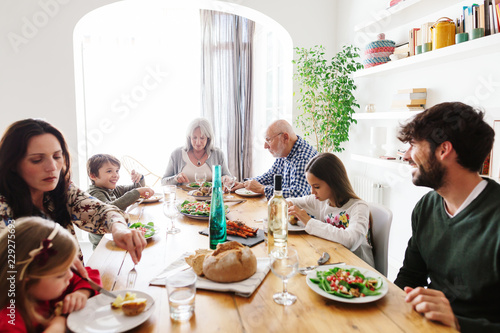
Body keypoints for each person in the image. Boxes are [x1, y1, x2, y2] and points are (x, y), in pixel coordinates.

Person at [394, 102, 499, 331]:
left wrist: (458, 322)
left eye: (413, 144)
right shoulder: (426, 207)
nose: (406, 156)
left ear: (443, 150)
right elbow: (410, 277)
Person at [0, 119, 146, 264]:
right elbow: (11, 278)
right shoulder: (3, 211)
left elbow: (100, 210)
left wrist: (119, 228)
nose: (52, 167)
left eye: (57, 156)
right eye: (37, 160)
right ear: (12, 164)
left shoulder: (63, 188)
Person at [0, 217, 102, 333]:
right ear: (25, 280)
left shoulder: (48, 286)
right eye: (61, 274)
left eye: (70, 268)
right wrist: (59, 324)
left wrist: (82, 292)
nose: (69, 275)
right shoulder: (9, 321)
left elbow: (90, 275)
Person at [287, 153, 374, 267]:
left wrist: (309, 222)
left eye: (317, 187)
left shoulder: (359, 207)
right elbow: (289, 201)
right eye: (311, 186)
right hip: (333, 262)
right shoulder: (320, 201)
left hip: (358, 269)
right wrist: (285, 204)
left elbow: (351, 241)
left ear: (333, 182)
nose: (312, 192)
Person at [233, 119, 317, 199]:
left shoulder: (303, 158)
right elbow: (270, 176)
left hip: (302, 213)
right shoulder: (285, 152)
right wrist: (245, 184)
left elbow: (298, 194)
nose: (265, 146)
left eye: (269, 140)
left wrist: (262, 189)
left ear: (285, 137)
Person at [86, 154, 154, 249]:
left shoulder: (111, 189)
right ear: (93, 176)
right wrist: (136, 192)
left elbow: (136, 188)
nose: (115, 175)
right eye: (109, 171)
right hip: (104, 244)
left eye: (117, 171)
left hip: (116, 236)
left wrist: (140, 178)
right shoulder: (94, 193)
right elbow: (110, 208)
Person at [161, 118, 231, 185]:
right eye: (194, 138)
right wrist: (175, 179)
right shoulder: (177, 154)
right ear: (189, 137)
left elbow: (229, 178)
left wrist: (226, 179)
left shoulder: (218, 154)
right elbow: (163, 182)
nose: (198, 142)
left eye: (202, 138)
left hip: (210, 197)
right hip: (183, 197)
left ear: (208, 138)